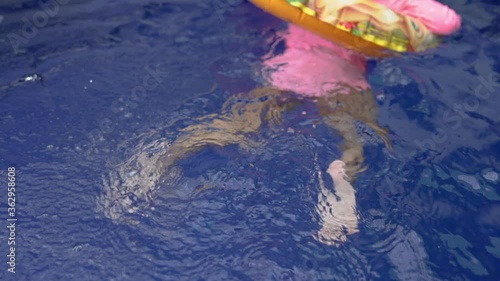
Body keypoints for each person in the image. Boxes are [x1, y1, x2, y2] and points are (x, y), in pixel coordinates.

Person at [105, 0, 461, 245]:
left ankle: (154, 167)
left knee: (232, 126)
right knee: (356, 142)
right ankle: (341, 191)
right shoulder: (395, 8)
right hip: (347, 81)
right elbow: (446, 22)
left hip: (291, 72)